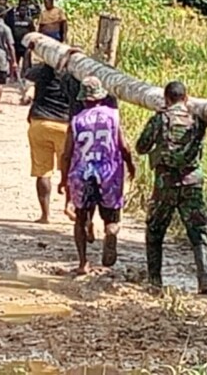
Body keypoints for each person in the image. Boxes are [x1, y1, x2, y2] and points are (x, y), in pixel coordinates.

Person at [136, 81, 207, 294]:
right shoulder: (197, 121)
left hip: (165, 184)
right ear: (186, 98)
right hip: (192, 183)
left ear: (167, 98)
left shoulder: (161, 119)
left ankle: (155, 280)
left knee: (155, 229)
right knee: (198, 232)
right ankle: (205, 279)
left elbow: (141, 147)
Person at [60, 76, 135, 275]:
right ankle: (110, 231)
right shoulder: (112, 116)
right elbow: (124, 146)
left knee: (81, 219)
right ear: (100, 97)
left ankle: (83, 262)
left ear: (84, 99)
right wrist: (131, 164)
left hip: (82, 173)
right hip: (109, 173)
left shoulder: (76, 121)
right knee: (111, 216)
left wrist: (63, 179)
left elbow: (66, 154)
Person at [24, 60, 72, 224]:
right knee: (70, 170)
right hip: (65, 126)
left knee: (42, 172)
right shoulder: (73, 74)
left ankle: (45, 215)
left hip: (40, 122)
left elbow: (28, 74)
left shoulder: (42, 71)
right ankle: (69, 206)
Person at [12, 0, 40, 68]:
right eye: (21, 9)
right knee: (15, 60)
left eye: (24, 9)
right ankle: (15, 76)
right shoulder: (14, 18)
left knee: (27, 60)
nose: (22, 11)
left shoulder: (29, 19)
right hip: (16, 43)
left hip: (25, 43)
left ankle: (25, 76)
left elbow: (32, 30)